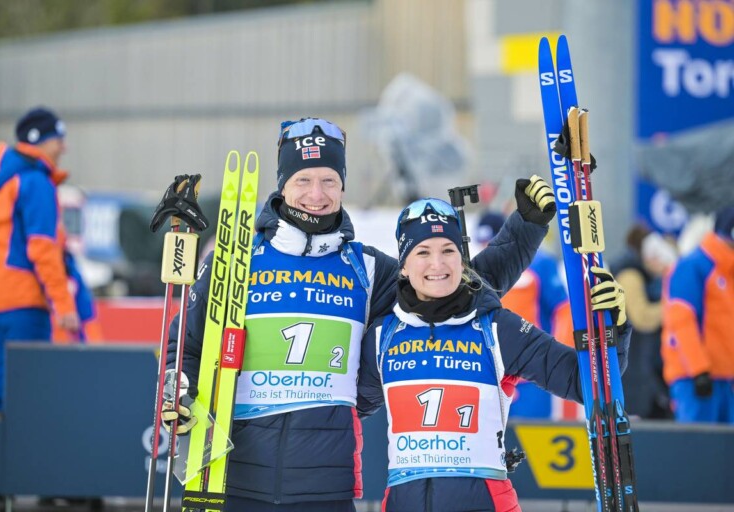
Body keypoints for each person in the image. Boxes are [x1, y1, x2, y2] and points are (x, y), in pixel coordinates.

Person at [163, 117, 558, 511]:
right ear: (283, 184)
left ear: (342, 185)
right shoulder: (236, 261)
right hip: (233, 481)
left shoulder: (367, 270)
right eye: (303, 180)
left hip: (326, 489)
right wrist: (177, 394)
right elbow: (187, 346)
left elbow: (450, 289)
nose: (316, 194)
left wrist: (524, 229)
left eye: (329, 180)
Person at [356, 198, 632, 512]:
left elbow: (585, 383)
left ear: (462, 260)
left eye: (448, 250)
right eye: (423, 252)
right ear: (403, 265)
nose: (437, 264)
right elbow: (347, 408)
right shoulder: (383, 336)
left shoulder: (497, 328)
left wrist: (612, 331)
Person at [0, 107, 80, 411]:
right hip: (22, 302)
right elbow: (43, 250)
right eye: (58, 139)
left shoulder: (5, 179)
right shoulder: (36, 182)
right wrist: (63, 304)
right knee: (29, 393)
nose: (63, 148)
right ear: (40, 140)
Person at [474, 211, 575, 419]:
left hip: (530, 375)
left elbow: (563, 309)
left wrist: (561, 357)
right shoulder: (474, 270)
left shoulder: (539, 264)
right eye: (482, 243)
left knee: (531, 434)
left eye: (490, 243)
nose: (486, 249)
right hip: (490, 376)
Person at [662, 206, 734, 424]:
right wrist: (698, 370)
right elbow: (682, 320)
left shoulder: (727, 271)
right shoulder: (693, 266)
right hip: (695, 379)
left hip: (726, 378)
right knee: (697, 443)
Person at [612, 224, 677, 419]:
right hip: (634, 368)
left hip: (646, 367)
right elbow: (642, 317)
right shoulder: (630, 275)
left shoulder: (646, 276)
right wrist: (677, 305)